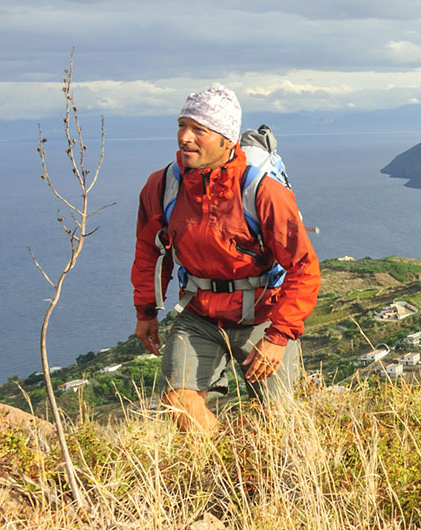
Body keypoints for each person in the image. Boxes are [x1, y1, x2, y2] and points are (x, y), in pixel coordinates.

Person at [130, 84, 320, 432]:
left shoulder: (263, 193)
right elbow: (150, 251)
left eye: (199, 130)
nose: (184, 137)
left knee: (277, 421)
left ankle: (257, 462)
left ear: (227, 139)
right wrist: (146, 312)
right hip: (199, 315)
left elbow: (304, 267)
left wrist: (278, 336)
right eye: (182, 125)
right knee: (178, 401)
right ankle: (220, 460)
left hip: (262, 315)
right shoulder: (163, 186)